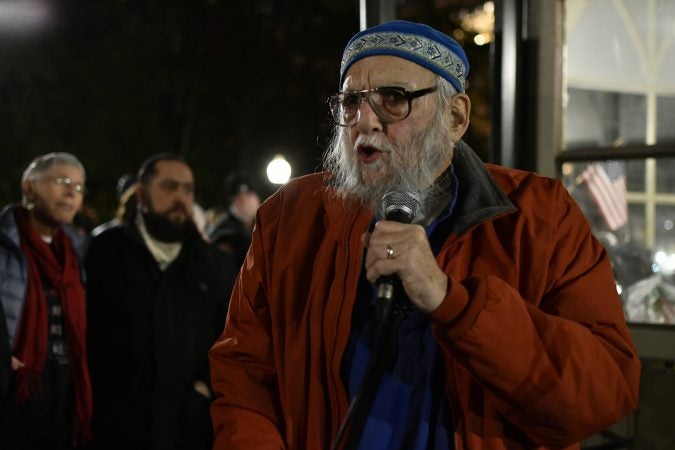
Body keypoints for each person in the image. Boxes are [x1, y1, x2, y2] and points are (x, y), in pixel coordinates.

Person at [209, 20, 641, 450]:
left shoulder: (539, 217)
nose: (365, 122)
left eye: (393, 100)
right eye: (351, 102)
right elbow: (245, 375)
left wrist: (452, 301)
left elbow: (604, 393)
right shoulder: (290, 219)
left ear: (455, 117)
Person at [84, 153, 236, 450]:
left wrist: (202, 390)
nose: (181, 197)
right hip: (115, 426)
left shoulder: (215, 265)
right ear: (141, 194)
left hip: (187, 429)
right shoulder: (105, 252)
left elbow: (229, 336)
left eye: (188, 189)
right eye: (169, 187)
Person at [0, 152, 92, 449]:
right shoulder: (5, 245)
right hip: (15, 394)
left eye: (78, 187)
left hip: (64, 394)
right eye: (62, 181)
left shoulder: (76, 252)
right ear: (29, 188)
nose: (71, 193)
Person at [207, 172, 261, 267]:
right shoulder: (224, 232)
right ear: (233, 201)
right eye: (239, 197)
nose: (245, 201)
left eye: (249, 195)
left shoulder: (259, 226)